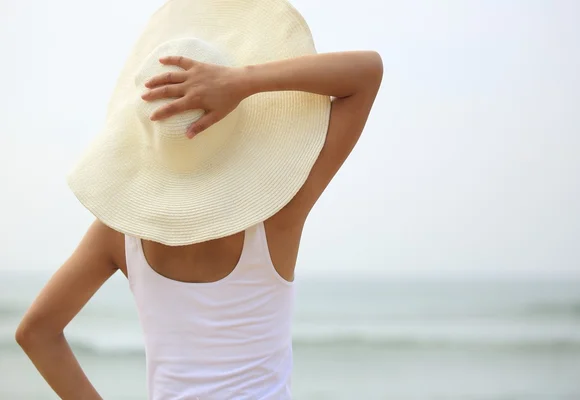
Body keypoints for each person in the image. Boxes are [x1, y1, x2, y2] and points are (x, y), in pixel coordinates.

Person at [15, 0, 383, 398]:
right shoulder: (277, 216)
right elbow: (366, 73)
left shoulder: (119, 234)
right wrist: (241, 81)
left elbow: (37, 332)